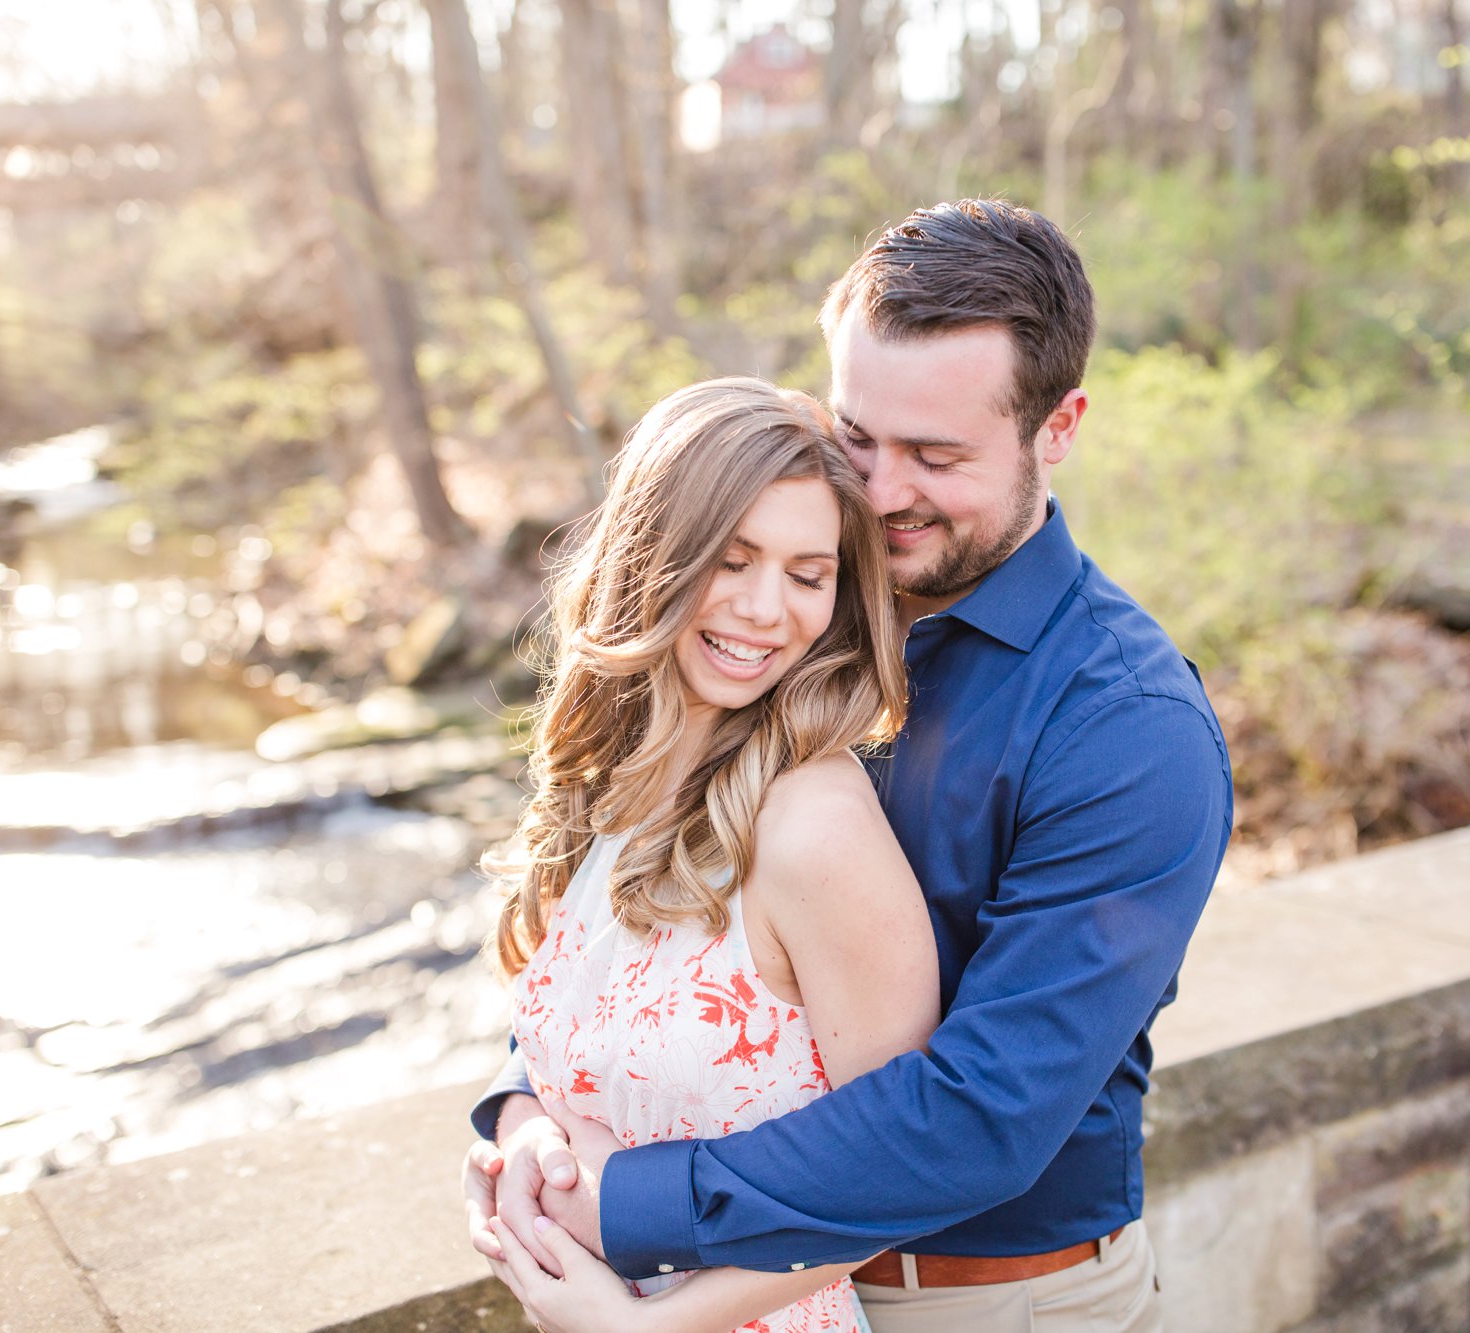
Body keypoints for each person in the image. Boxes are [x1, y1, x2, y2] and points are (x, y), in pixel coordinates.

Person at [468, 199, 1234, 1333]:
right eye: (858, 437)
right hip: (722, 1285)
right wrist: (523, 1111)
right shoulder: (779, 630)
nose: (878, 493)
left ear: (1056, 426)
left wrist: (621, 1200)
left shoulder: (1128, 729)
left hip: (989, 1306)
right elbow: (637, 949)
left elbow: (978, 1117)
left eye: (936, 456)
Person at [479, 377, 940, 1332]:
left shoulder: (817, 826)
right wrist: (518, 1136)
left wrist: (647, 1326)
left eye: (808, 576)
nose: (767, 609)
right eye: (732, 561)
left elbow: (899, 1173)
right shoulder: (613, 781)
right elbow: (551, 1051)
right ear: (653, 554)